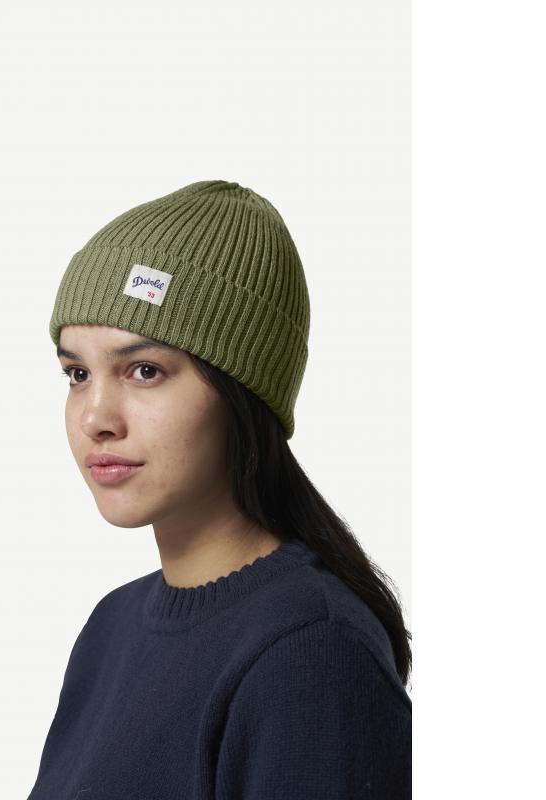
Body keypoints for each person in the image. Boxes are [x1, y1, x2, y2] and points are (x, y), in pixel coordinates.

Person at [26, 179, 412, 799]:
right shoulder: (110, 629)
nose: (95, 416)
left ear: (243, 394)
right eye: (77, 374)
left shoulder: (310, 652)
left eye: (144, 370)